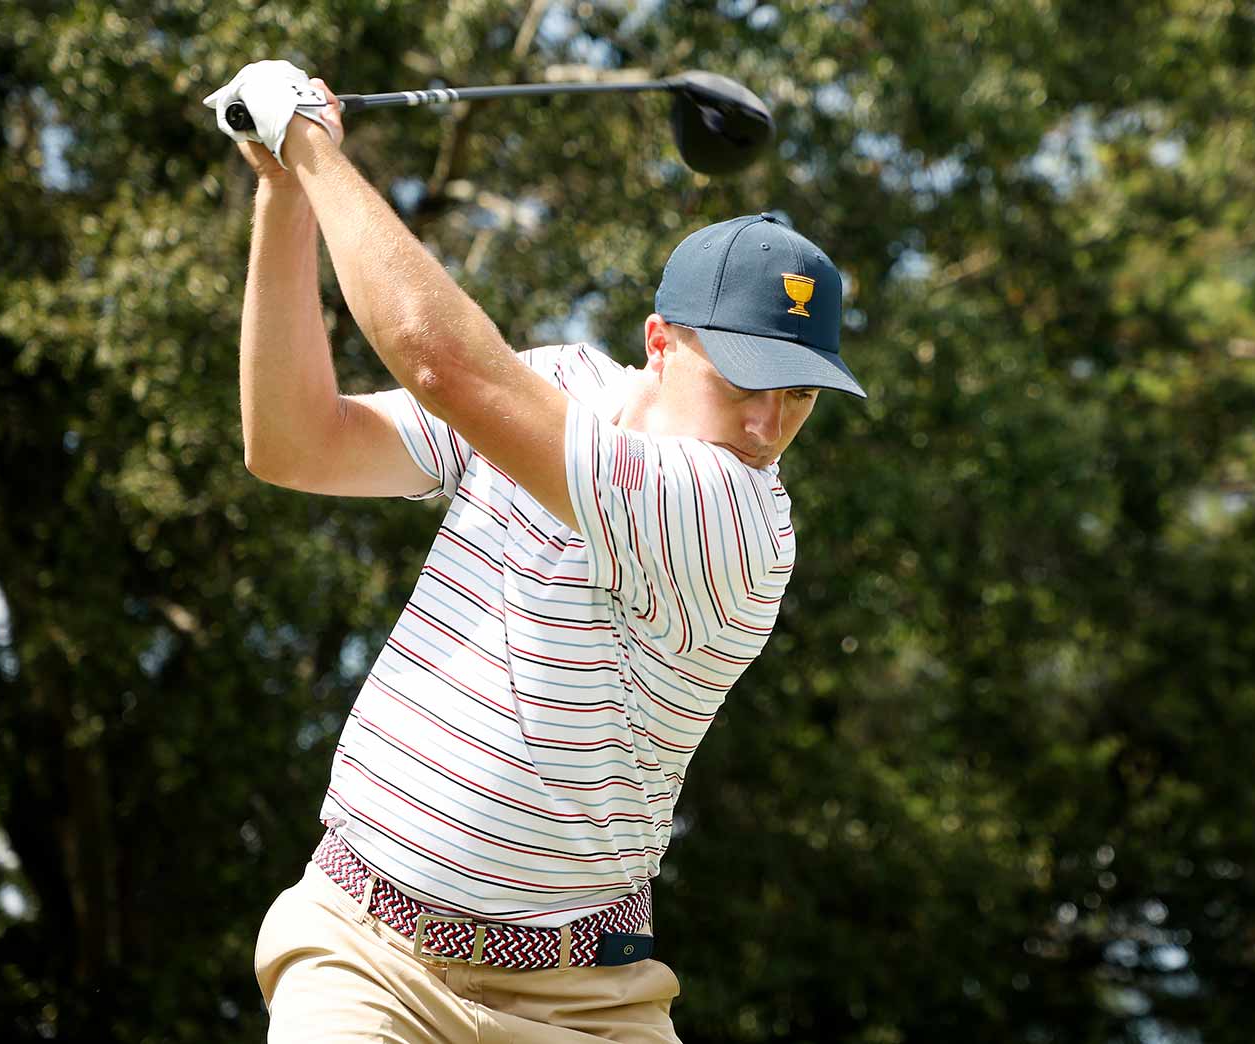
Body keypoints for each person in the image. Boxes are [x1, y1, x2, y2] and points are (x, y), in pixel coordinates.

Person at [208, 61, 866, 1043]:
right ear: (660, 341)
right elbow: (295, 442)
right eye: (746, 381)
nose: (769, 424)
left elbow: (439, 363)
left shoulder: (734, 520)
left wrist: (310, 143)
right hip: (364, 952)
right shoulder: (558, 383)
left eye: (799, 395)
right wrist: (282, 187)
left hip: (580, 1006)